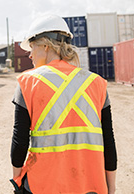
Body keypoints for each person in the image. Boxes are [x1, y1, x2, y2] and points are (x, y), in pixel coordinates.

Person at [10, 14, 117, 194]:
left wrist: (17, 181)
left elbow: (19, 141)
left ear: (45, 46)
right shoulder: (97, 83)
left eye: (32, 48)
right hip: (90, 185)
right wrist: (110, 187)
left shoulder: (28, 82)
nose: (30, 55)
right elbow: (108, 140)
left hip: (42, 185)